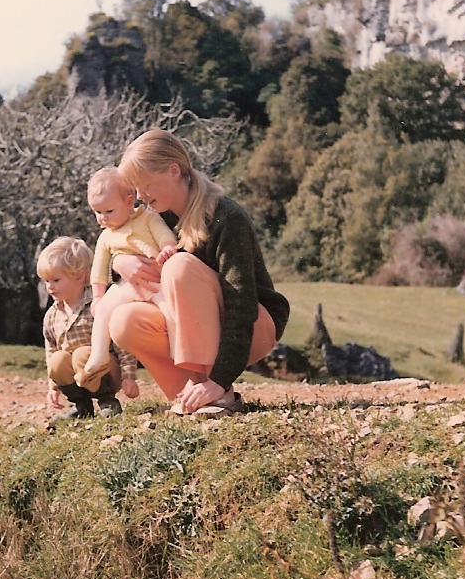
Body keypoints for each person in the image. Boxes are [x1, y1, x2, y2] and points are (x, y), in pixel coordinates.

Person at [109, 129, 290, 416]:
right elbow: (119, 243)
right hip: (200, 329)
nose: (141, 197)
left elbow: (242, 305)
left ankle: (216, 391)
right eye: (136, 189)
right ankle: (188, 395)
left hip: (254, 326)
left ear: (173, 171)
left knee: (178, 266)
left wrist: (220, 379)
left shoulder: (226, 217)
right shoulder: (156, 218)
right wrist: (119, 264)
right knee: (123, 321)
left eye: (146, 185)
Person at [78, 167, 178, 389]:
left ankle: (177, 351)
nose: (103, 218)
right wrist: (97, 296)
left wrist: (167, 247)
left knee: (171, 311)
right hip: (126, 285)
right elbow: (99, 269)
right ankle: (99, 354)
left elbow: (163, 233)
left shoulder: (147, 218)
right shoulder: (106, 236)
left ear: (129, 201)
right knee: (103, 310)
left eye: (109, 211)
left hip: (155, 280)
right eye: (97, 212)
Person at [36, 236, 139, 421]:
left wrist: (128, 376)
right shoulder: (52, 315)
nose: (50, 287)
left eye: (56, 280)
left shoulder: (99, 305)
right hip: (76, 375)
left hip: (107, 372)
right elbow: (50, 351)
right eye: (46, 281)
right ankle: (82, 407)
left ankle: (108, 401)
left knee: (82, 354)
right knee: (58, 359)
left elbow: (121, 344)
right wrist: (53, 387)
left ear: (80, 276)